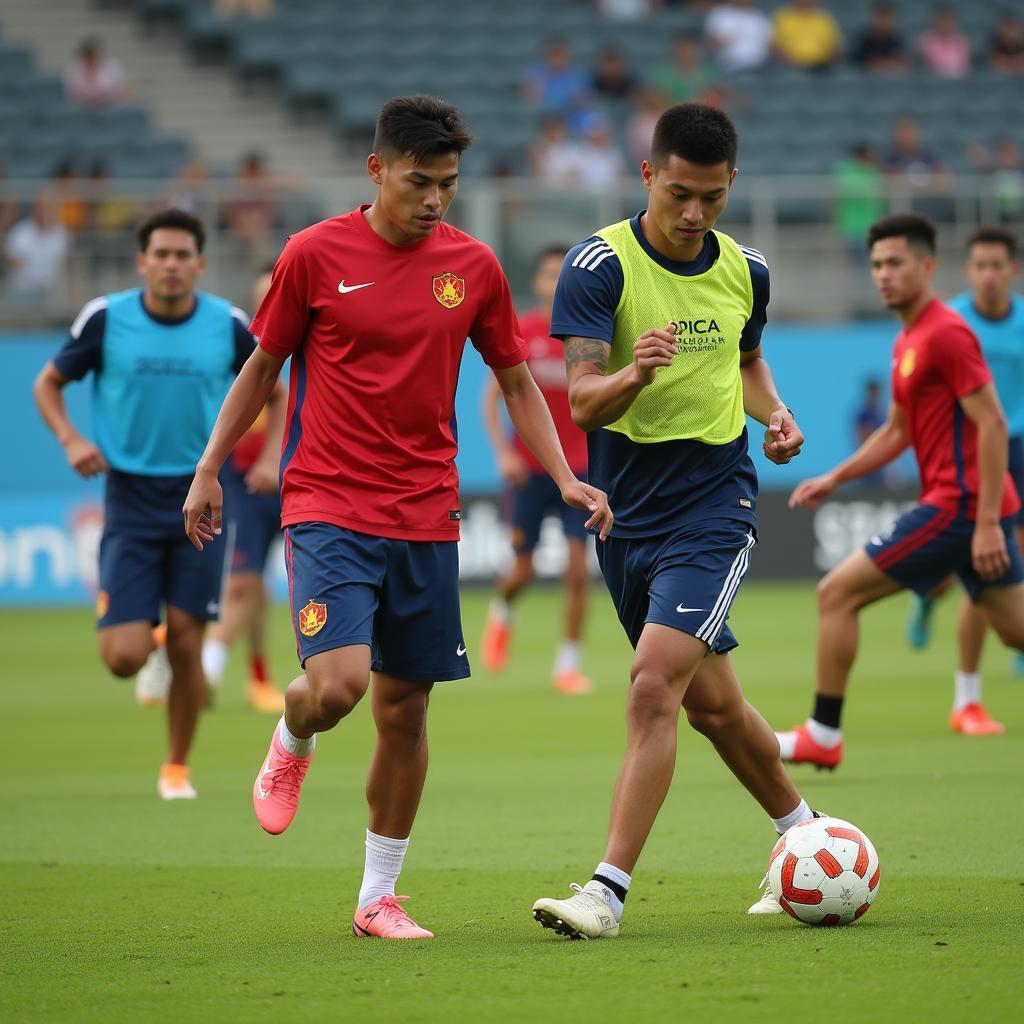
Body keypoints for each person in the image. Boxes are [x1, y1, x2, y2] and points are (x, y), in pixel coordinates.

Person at [181, 96, 612, 940]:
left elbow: (517, 381)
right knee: (338, 687)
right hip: (329, 503)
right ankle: (293, 731)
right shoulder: (312, 255)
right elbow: (264, 366)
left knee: (405, 711)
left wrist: (562, 474)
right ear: (377, 170)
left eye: (449, 184)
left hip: (426, 511)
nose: (436, 199)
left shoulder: (476, 268)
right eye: (421, 181)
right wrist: (208, 469)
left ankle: (377, 896)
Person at [530, 103, 815, 940]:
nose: (695, 215)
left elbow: (747, 358)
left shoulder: (747, 271)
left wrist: (778, 414)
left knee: (654, 686)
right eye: (681, 194)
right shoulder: (597, 266)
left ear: (732, 188)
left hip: (713, 501)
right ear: (648, 176)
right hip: (627, 512)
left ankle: (606, 893)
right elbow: (582, 401)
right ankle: (809, 839)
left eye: (714, 198)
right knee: (714, 707)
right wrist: (635, 374)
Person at [778, 214, 1024, 770]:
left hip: (960, 505)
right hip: (970, 505)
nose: (883, 275)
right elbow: (898, 429)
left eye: (895, 264)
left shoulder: (946, 333)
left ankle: (823, 732)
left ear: (927, 267)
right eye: (876, 266)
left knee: (836, 593)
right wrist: (837, 476)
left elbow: (990, 424)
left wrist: (985, 522)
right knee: (1015, 633)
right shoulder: (909, 338)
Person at [33, 208, 253, 799]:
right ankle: (143, 636)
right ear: (142, 262)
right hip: (129, 497)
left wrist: (269, 455)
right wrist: (72, 438)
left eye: (184, 255)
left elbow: (274, 387)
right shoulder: (107, 319)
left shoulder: (227, 324)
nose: (172, 264)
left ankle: (176, 766)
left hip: (199, 493)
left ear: (200, 264)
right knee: (123, 658)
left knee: (188, 639)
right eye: (162, 254)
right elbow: (47, 383)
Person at [905, 227, 1024, 730]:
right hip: (963, 454)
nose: (990, 275)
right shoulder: (951, 323)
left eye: (999, 265)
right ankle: (966, 694)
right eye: (980, 266)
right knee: (979, 567)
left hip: (1016, 447)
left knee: (999, 562)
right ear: (968, 271)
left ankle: (975, 689)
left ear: (1012, 270)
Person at [480, 246, 594, 696]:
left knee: (578, 569)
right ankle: (502, 613)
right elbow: (493, 397)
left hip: (581, 469)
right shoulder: (524, 330)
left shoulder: (588, 332)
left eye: (562, 274)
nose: (556, 282)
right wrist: (502, 454)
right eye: (549, 274)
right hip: (530, 469)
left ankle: (568, 665)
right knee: (522, 571)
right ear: (539, 282)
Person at [200, 264, 289, 713]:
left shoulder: (318, 339)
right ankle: (206, 673)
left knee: (257, 584)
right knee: (242, 581)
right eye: (263, 296)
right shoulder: (241, 349)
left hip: (305, 476)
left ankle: (258, 674)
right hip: (246, 480)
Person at [705, 0, 774, 73]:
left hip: (759, 66)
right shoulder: (719, 14)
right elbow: (713, 43)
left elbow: (770, 45)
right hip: (729, 65)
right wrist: (728, 39)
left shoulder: (760, 17)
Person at [772, 0, 843, 71]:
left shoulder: (825, 18)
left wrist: (828, 62)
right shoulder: (782, 17)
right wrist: (793, 63)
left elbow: (835, 46)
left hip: (821, 66)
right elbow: (776, 46)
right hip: (792, 67)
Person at [65, 38, 127, 108]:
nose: (92, 59)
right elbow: (72, 94)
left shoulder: (111, 66)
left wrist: (109, 98)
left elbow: (124, 90)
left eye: (94, 56)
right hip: (82, 107)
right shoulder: (73, 69)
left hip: (109, 104)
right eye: (89, 56)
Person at [851, 3, 910, 73]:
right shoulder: (865, 41)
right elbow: (857, 63)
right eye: (881, 18)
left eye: (886, 18)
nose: (884, 22)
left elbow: (904, 62)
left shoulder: (896, 40)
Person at [918, 7, 971, 79]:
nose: (945, 25)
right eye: (942, 21)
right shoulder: (926, 41)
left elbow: (965, 66)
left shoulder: (961, 41)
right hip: (933, 80)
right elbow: (931, 64)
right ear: (936, 23)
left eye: (948, 21)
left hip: (958, 80)